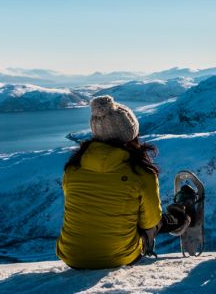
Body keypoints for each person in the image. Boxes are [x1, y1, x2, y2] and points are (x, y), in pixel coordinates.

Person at [56, 96, 195, 269]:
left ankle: (179, 217)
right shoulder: (141, 172)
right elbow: (150, 221)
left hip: (71, 256)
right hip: (118, 257)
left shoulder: (73, 169)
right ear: (131, 134)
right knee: (153, 222)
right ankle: (183, 217)